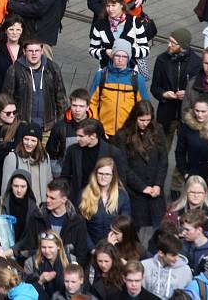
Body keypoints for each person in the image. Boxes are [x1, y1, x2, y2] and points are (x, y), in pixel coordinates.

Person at [114, 101, 167, 236]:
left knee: (160, 230)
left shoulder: (158, 130)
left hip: (155, 189)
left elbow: (163, 160)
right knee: (133, 231)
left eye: (148, 120)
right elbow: (123, 167)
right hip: (135, 191)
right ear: (135, 118)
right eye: (142, 120)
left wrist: (158, 184)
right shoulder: (123, 136)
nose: (145, 123)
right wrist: (142, 187)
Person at [11, 178, 89, 268]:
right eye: (47, 196)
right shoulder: (37, 217)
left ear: (63, 200)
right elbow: (30, 247)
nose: (47, 200)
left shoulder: (77, 221)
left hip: (67, 272)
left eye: (52, 198)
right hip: (40, 269)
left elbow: (82, 255)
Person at [2, 38, 67, 136]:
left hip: (48, 127)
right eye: (30, 51)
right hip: (22, 127)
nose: (34, 54)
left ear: (42, 51)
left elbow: (61, 98)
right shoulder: (14, 70)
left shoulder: (53, 68)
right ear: (24, 51)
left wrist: (59, 124)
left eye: (37, 51)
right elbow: (7, 99)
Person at [150, 28, 201, 148]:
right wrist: (163, 94)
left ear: (182, 45)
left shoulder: (197, 62)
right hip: (167, 114)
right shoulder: (162, 60)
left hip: (188, 115)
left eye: (173, 43)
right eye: (169, 41)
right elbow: (155, 87)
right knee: (161, 149)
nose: (169, 45)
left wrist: (188, 93)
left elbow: (201, 89)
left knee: (186, 152)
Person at [88, 39, 149, 139]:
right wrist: (97, 126)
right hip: (103, 133)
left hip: (127, 135)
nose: (120, 59)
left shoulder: (138, 80)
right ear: (112, 56)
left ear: (128, 58)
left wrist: (136, 130)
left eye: (124, 56)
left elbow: (145, 108)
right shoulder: (101, 76)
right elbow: (91, 103)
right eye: (117, 55)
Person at [60, 119, 127, 201]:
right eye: (77, 135)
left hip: (104, 199)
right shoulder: (73, 150)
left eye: (81, 136)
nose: (77, 139)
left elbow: (120, 179)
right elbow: (65, 176)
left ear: (93, 136)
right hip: (79, 198)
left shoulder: (113, 152)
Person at [89, 0, 150, 70]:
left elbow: (145, 50)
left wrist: (127, 52)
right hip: (107, 72)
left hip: (130, 72)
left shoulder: (135, 22)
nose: (110, 9)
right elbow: (92, 50)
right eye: (108, 6)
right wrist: (105, 52)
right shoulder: (100, 24)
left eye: (113, 5)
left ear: (121, 5)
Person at [78, 157, 131, 246]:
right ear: (95, 174)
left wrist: (111, 245)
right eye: (100, 173)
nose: (103, 177)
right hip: (91, 249)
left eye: (107, 174)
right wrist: (92, 249)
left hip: (115, 247)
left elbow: (125, 225)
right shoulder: (84, 194)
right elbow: (80, 227)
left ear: (113, 176)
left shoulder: (122, 195)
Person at [178, 96, 208, 190]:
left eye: (203, 111)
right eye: (197, 110)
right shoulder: (187, 127)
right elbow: (180, 152)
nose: (199, 114)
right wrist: (185, 173)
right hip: (193, 175)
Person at [1, 125, 52, 207]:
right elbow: (5, 188)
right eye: (26, 139)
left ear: (38, 142)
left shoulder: (45, 157)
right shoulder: (12, 158)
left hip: (41, 207)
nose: (29, 143)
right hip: (20, 207)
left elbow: (49, 181)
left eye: (33, 140)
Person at [46, 89, 92, 178]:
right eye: (74, 105)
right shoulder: (59, 127)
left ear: (87, 107)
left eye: (81, 106)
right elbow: (51, 155)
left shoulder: (96, 127)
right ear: (70, 105)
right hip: (65, 179)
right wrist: (60, 175)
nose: (77, 110)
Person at [0, 169, 37, 253]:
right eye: (15, 186)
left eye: (22, 186)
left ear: (28, 187)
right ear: (11, 185)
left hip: (23, 253)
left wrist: (14, 250)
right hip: (0, 251)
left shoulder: (33, 207)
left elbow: (31, 235)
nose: (19, 190)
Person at [140, 233, 191, 299]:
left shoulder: (186, 270)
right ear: (161, 253)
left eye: (177, 254)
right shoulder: (144, 266)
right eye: (173, 255)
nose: (177, 258)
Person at [22, 230, 71, 298]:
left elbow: (77, 288)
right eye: (43, 247)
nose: (47, 251)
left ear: (58, 246)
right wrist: (40, 281)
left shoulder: (70, 260)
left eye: (50, 247)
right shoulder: (30, 263)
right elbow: (25, 292)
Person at [180, 209, 208, 274]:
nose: (183, 233)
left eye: (187, 230)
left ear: (199, 230)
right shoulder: (182, 245)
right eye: (183, 229)